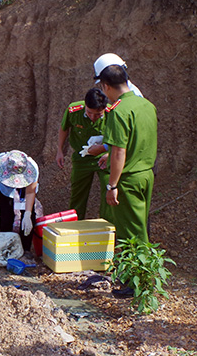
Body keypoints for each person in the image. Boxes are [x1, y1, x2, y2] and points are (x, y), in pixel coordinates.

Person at [98, 64, 157, 243]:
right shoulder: (147, 105)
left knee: (132, 235)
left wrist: (112, 186)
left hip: (128, 179)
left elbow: (118, 152)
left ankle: (140, 269)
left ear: (106, 86)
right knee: (140, 225)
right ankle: (142, 267)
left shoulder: (119, 111)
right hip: (146, 174)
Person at [55, 88, 110, 220]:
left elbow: (120, 139)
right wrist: (59, 150)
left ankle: (107, 226)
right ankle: (76, 226)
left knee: (108, 191)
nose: (92, 117)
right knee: (77, 195)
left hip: (104, 158)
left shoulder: (113, 112)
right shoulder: (74, 110)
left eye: (98, 115)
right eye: (89, 112)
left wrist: (109, 154)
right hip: (82, 158)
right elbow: (64, 129)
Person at [0, 151, 38, 254]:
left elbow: (30, 193)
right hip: (4, 185)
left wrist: (27, 214)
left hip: (25, 183)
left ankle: (25, 249)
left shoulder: (33, 169)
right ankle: (6, 248)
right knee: (6, 215)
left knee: (29, 216)